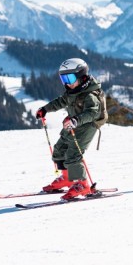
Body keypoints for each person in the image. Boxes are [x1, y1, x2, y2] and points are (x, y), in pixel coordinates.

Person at [36, 58, 104, 199]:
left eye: (70, 78)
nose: (66, 82)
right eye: (63, 79)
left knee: (73, 154)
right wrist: (45, 109)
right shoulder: (72, 91)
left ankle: (83, 185)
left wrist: (75, 120)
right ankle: (67, 178)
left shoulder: (90, 94)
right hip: (73, 123)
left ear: (82, 76)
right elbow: (61, 101)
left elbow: (93, 112)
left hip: (87, 125)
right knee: (59, 150)